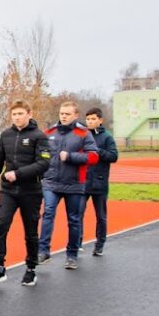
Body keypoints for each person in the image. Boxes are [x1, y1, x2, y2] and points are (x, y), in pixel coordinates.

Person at [0, 100, 50, 288]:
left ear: (29, 113)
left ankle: (30, 269)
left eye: (21, 114)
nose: (17, 117)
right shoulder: (6, 135)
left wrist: (18, 174)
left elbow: (43, 164)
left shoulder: (39, 136)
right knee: (0, 225)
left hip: (31, 191)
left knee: (30, 232)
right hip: (8, 191)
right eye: (14, 114)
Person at [36, 100, 98, 270]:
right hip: (51, 182)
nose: (63, 116)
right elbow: (42, 153)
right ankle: (43, 251)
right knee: (48, 213)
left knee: (74, 220)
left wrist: (70, 157)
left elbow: (93, 157)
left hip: (74, 184)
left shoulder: (83, 133)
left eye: (67, 114)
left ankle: (71, 255)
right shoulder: (50, 132)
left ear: (75, 115)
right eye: (62, 113)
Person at [82, 107, 119, 256]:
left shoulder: (107, 137)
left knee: (101, 216)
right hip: (83, 182)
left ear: (100, 120)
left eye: (93, 119)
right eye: (88, 119)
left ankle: (100, 244)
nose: (90, 122)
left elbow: (114, 156)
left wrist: (97, 151)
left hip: (100, 183)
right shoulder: (82, 135)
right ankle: (77, 244)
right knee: (77, 215)